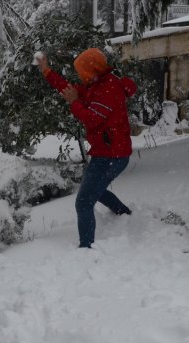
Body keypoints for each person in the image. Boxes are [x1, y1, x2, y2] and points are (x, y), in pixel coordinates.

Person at [36, 48, 137, 248]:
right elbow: (68, 88)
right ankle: (124, 214)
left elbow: (91, 120)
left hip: (113, 156)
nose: (80, 76)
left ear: (93, 69)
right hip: (105, 152)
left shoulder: (108, 89)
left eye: (82, 71)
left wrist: (74, 102)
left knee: (84, 201)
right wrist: (47, 72)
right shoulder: (96, 84)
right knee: (94, 191)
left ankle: (86, 248)